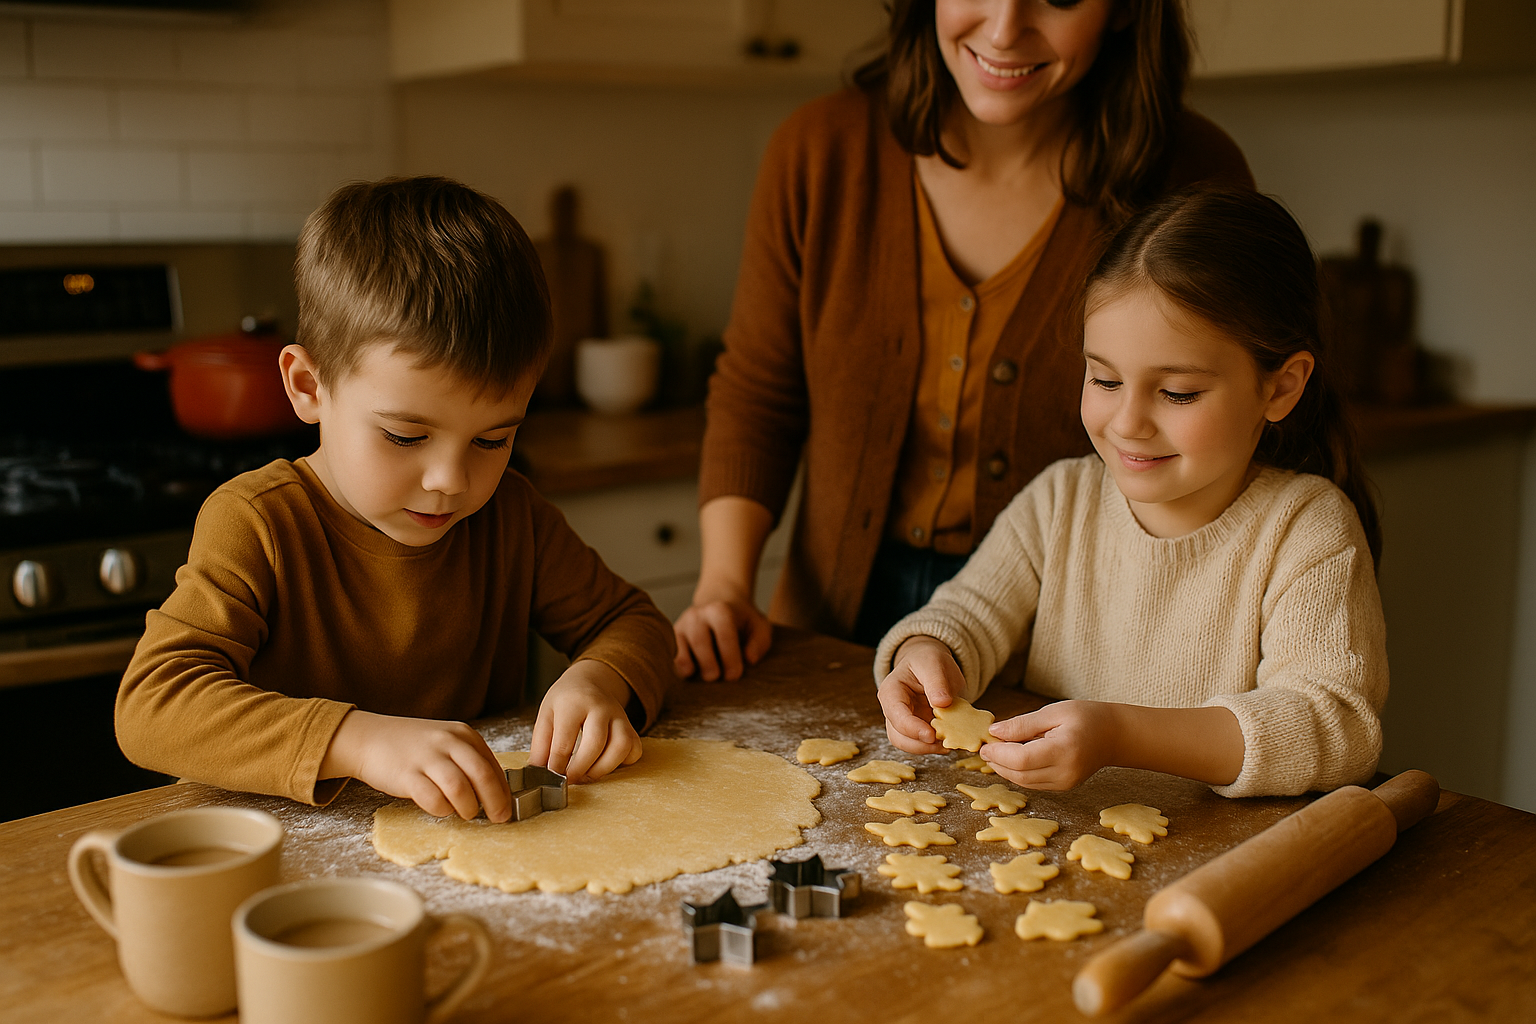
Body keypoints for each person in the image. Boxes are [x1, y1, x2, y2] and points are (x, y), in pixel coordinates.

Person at [675, 0, 1255, 682]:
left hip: (1061, 663)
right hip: (829, 632)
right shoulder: (819, 152)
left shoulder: (1191, 178)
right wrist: (723, 586)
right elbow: (759, 393)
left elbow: (1223, 444)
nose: (1004, 29)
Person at [116, 177, 675, 821]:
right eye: (405, 435)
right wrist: (356, 741)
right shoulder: (260, 522)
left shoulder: (510, 516)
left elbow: (636, 623)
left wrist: (603, 678)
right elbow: (152, 706)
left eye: (493, 440)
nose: (450, 480)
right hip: (293, 865)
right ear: (308, 386)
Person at [875, 185, 1387, 798]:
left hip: (1222, 871)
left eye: (1177, 393)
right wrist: (927, 656)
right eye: (1105, 379)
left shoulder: (1306, 528)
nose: (1127, 423)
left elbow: (1333, 726)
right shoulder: (1060, 502)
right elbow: (968, 615)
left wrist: (1121, 733)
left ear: (1280, 387)